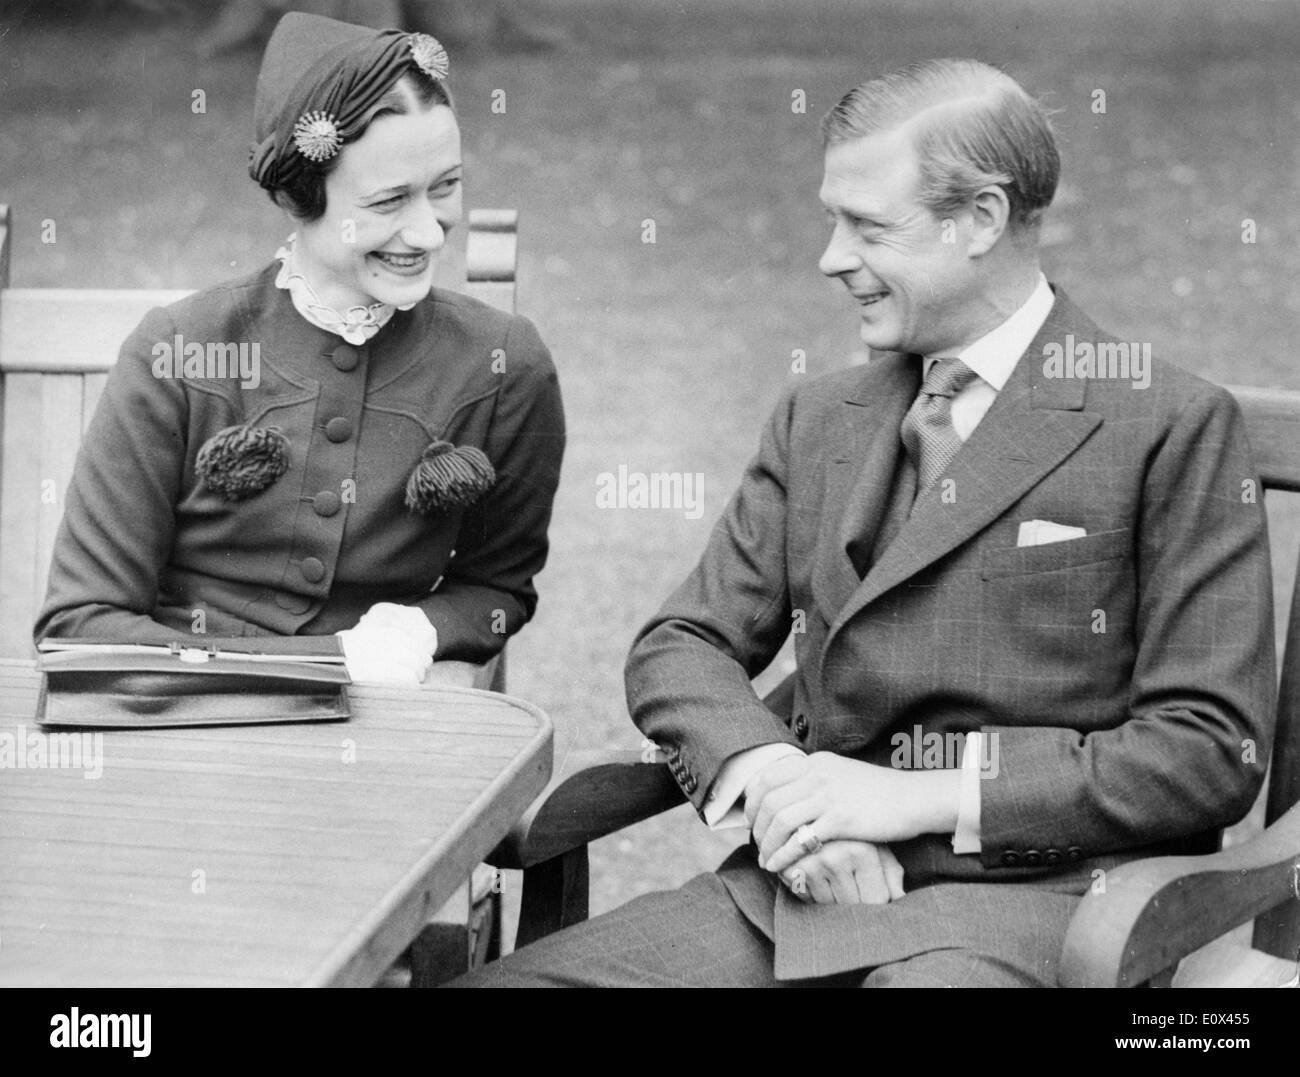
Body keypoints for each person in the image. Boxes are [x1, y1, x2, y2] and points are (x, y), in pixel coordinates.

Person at [455, 58, 1274, 987]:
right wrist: (779, 792)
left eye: (867, 227)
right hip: (795, 901)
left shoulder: (1165, 424)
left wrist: (906, 798)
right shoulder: (822, 417)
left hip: (1052, 912)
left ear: (983, 221)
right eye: (832, 219)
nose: (831, 257)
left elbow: (1206, 748)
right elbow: (683, 642)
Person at [36, 13, 565, 686]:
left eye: (446, 187)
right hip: (174, 723)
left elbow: (497, 588)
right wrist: (333, 664)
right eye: (388, 200)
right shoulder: (177, 352)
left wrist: (424, 628)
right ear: (297, 194)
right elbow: (82, 628)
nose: (430, 232)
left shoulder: (504, 366)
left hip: (382, 734)